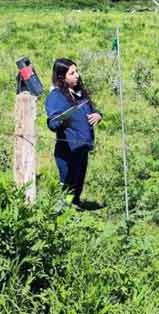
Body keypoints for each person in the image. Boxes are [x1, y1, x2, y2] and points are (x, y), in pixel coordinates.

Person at [45, 58, 102, 208]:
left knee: (78, 182)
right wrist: (59, 120)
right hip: (68, 149)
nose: (77, 75)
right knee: (68, 183)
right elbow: (52, 121)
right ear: (61, 77)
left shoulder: (79, 93)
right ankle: (61, 212)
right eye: (72, 73)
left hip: (82, 147)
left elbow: (92, 109)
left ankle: (74, 208)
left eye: (76, 71)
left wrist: (97, 115)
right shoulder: (56, 96)